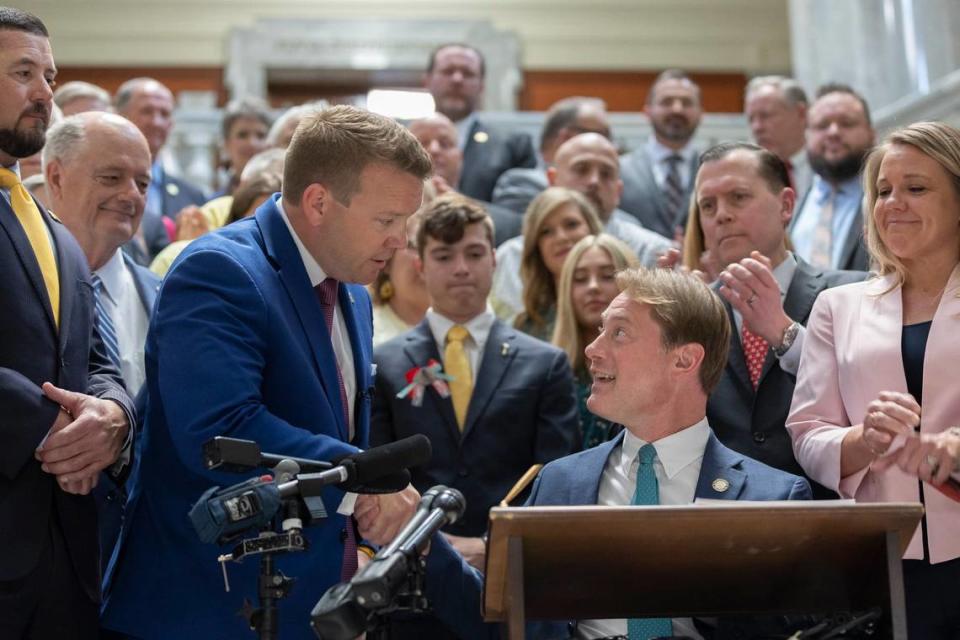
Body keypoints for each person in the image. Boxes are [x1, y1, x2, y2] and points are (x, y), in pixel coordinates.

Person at [101, 105, 431, 640]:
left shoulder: (353, 288)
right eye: (387, 220)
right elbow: (219, 431)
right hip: (211, 606)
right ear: (320, 202)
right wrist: (364, 481)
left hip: (313, 601)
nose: (401, 240)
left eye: (407, 221)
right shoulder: (220, 270)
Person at [424, 267, 811, 640]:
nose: (592, 349)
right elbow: (502, 623)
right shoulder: (557, 483)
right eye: (600, 331)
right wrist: (424, 543)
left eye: (620, 333)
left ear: (684, 359)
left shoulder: (772, 499)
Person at [370, 194, 579, 638]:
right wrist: (429, 545)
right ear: (420, 265)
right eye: (443, 256)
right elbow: (380, 478)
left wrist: (493, 548)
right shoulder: (385, 366)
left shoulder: (544, 364)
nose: (461, 268)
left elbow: (557, 479)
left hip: (513, 587)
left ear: (494, 260)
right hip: (413, 587)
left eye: (474, 253)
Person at [788, 121, 960, 639]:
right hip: (881, 558)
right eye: (883, 191)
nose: (893, 204)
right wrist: (863, 440)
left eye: (916, 188)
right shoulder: (837, 306)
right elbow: (807, 432)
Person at [0, 8, 135, 639]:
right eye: (23, 72)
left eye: (49, 75)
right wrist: (55, 425)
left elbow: (95, 360)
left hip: (67, 553)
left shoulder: (54, 228)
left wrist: (111, 418)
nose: (44, 92)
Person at [680, 141, 863, 496]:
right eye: (708, 205)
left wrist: (785, 334)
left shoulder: (851, 294)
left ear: (786, 205)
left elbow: (864, 394)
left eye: (738, 197)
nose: (721, 214)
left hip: (828, 513)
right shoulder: (690, 311)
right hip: (720, 517)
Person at [43, 111, 160, 569]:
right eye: (112, 177)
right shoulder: (20, 283)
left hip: (147, 562)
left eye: (143, 183)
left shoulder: (168, 297)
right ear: (55, 176)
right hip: (39, 556)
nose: (130, 195)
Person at [493, 132, 673, 320]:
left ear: (618, 191)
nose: (594, 181)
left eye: (606, 174)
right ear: (552, 180)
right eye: (581, 169)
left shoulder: (654, 253)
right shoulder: (512, 257)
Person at [552, 234, 639, 449]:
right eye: (580, 279)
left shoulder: (651, 371)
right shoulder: (548, 375)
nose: (593, 287)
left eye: (608, 276)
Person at [424, 43, 537, 202]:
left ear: (482, 85)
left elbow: (521, 214)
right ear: (427, 80)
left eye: (468, 73)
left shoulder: (514, 146)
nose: (457, 79)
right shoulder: (396, 144)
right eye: (448, 71)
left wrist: (459, 206)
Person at [114, 77, 207, 262]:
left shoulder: (193, 197)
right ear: (120, 116)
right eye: (146, 111)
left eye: (164, 114)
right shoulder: (99, 182)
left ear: (171, 125)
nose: (156, 122)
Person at [789, 83, 875, 272]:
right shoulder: (792, 208)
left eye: (846, 123)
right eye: (822, 125)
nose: (833, 132)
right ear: (807, 135)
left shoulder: (886, 202)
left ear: (871, 133)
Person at [408, 112, 521, 245]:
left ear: (460, 158)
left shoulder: (506, 223)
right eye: (421, 143)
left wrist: (464, 207)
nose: (434, 149)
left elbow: (514, 226)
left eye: (445, 144)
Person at [619, 69, 703, 238]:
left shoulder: (714, 169)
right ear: (647, 112)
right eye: (666, 102)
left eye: (687, 103)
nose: (677, 109)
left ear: (701, 113)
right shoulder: (619, 169)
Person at [492, 96, 610, 214]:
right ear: (567, 138)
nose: (609, 145)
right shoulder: (521, 185)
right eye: (602, 135)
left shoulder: (626, 224)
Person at [511, 186, 602, 339]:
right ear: (536, 248)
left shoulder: (626, 307)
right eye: (546, 232)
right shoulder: (527, 328)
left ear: (592, 229)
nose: (561, 237)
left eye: (571, 224)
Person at [370, 182, 434, 346]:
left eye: (442, 254)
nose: (425, 262)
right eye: (415, 247)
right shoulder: (365, 333)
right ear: (387, 262)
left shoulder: (464, 332)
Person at [745, 75, 812, 197]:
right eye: (751, 119)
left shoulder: (830, 165)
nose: (757, 127)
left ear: (801, 113)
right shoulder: (745, 175)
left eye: (765, 116)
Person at [213, 97, 271, 198]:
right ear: (226, 144)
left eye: (260, 135)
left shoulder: (283, 201)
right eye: (242, 135)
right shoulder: (211, 205)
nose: (252, 143)